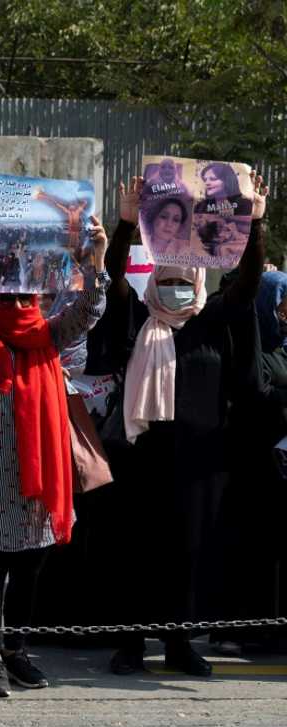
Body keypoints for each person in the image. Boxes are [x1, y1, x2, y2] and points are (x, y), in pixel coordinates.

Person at [106, 172, 269, 676]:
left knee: (189, 552)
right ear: (155, 283)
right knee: (138, 549)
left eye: (184, 283)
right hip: (145, 456)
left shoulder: (213, 320)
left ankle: (179, 644)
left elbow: (247, 282)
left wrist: (255, 225)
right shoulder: (140, 319)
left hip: (199, 461)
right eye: (168, 282)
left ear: (198, 284)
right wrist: (126, 224)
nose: (176, 291)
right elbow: (112, 278)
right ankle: (130, 643)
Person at [0, 208, 109, 697]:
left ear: (37, 296)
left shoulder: (49, 337)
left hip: (41, 485)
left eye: (26, 292)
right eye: (8, 291)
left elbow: (87, 312)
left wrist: (95, 259)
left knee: (30, 572)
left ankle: (17, 652)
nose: (18, 299)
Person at [213, 269, 287, 654]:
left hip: (279, 467)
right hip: (249, 462)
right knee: (248, 549)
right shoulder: (249, 346)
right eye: (283, 303)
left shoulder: (284, 347)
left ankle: (273, 629)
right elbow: (255, 385)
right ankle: (240, 630)